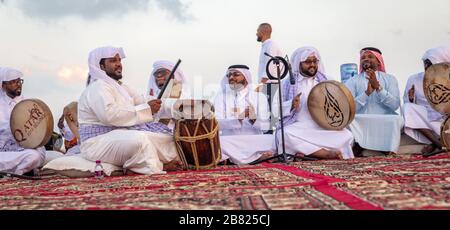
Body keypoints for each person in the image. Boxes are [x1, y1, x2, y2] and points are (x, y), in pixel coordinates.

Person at [78, 46, 180, 175]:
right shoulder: (98, 87)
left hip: (119, 135)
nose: (119, 64)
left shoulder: (121, 87)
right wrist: (147, 110)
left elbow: (144, 100)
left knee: (166, 138)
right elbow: (110, 115)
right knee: (139, 140)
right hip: (97, 142)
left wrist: (178, 106)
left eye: (119, 60)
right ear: (101, 66)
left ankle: (157, 163)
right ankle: (154, 167)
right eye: (113, 61)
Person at [274, 47, 355, 160]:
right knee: (284, 135)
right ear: (299, 63)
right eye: (307, 62)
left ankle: (305, 152)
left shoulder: (327, 80)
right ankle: (323, 154)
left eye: (314, 61)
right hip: (298, 126)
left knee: (347, 135)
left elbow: (339, 102)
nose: (312, 64)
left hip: (323, 127)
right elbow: (275, 109)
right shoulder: (287, 84)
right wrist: (291, 105)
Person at [345, 47, 403, 155]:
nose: (366, 59)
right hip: (360, 120)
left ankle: (387, 149)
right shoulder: (352, 81)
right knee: (349, 121)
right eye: (363, 58)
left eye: (370, 57)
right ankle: (358, 145)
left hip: (385, 118)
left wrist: (378, 88)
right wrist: (366, 93)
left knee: (396, 120)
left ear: (378, 61)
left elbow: (395, 105)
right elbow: (349, 108)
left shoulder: (390, 79)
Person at [214, 65, 273, 164]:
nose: (231, 78)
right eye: (229, 75)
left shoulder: (259, 97)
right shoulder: (221, 98)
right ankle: (257, 158)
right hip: (230, 140)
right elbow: (216, 124)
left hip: (253, 139)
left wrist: (254, 118)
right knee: (219, 143)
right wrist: (238, 119)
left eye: (236, 74)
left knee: (273, 139)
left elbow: (266, 127)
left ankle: (230, 159)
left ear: (246, 77)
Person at [403, 46, 450, 156]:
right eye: (425, 63)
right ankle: (438, 144)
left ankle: (435, 145)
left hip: (446, 119)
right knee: (407, 107)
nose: (426, 66)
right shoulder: (414, 79)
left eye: (430, 63)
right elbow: (408, 106)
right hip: (427, 119)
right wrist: (410, 98)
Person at [0, 67, 45, 175]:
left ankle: (17, 173)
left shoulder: (29, 104)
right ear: (3, 85)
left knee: (35, 156)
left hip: (25, 151)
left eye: (19, 81)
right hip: (4, 152)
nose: (18, 84)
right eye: (13, 82)